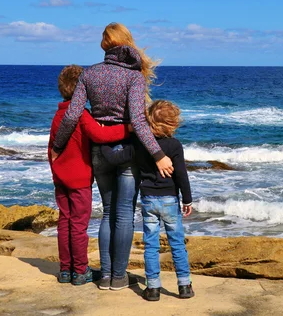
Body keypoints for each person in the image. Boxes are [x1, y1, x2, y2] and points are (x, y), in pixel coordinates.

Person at [50, 23, 174, 291]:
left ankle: (104, 276)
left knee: (108, 213)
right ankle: (119, 276)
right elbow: (139, 123)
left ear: (104, 45)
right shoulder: (134, 77)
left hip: (99, 152)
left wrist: (59, 145)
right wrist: (159, 154)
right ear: (127, 42)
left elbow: (73, 114)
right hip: (127, 152)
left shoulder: (89, 74)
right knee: (124, 215)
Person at [101, 100, 194, 301]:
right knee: (177, 244)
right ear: (173, 124)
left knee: (151, 245)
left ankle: (153, 288)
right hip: (170, 200)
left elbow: (116, 159)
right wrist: (187, 199)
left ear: (149, 121)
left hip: (149, 201)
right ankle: (184, 286)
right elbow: (181, 175)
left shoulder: (140, 143)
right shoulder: (175, 145)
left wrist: (103, 146)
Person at [48, 65, 130, 286]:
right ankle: (80, 270)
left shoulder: (57, 115)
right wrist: (128, 128)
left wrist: (56, 173)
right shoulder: (80, 115)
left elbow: (51, 149)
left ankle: (65, 270)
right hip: (79, 179)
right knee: (78, 226)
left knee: (64, 222)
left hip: (61, 178)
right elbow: (101, 134)